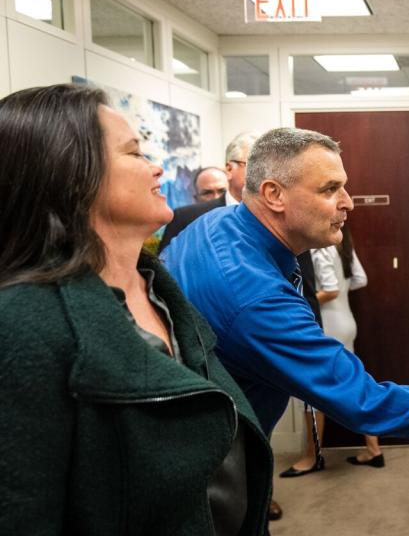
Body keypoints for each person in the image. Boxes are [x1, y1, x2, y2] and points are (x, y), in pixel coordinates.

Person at [161, 128, 409, 452]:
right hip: (211, 466)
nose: (348, 203)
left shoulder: (214, 225)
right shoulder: (255, 299)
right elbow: (364, 401)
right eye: (330, 189)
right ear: (274, 194)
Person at [0, 84, 273, 535]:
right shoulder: (21, 325)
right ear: (71, 173)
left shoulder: (162, 294)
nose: (157, 168)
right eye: (134, 154)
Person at [281, 225, 380, 477]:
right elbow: (359, 279)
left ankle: (311, 457)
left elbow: (331, 289)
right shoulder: (342, 245)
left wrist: (301, 299)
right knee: (355, 385)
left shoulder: (320, 248)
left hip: (328, 326)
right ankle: (373, 449)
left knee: (312, 394)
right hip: (346, 322)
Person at [158, 132, 259, 253]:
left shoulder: (275, 215)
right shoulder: (186, 218)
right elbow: (166, 266)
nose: (264, 173)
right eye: (254, 165)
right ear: (229, 168)